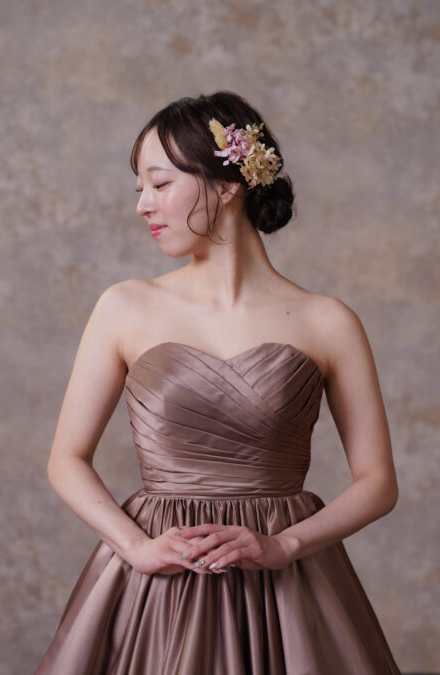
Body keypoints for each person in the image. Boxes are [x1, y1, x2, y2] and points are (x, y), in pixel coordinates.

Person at [35, 90, 402, 674]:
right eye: (139, 188)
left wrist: (283, 544)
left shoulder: (328, 322)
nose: (143, 206)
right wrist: (137, 548)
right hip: (156, 580)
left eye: (159, 184)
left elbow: (378, 483)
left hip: (284, 583)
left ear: (228, 184)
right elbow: (66, 460)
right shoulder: (125, 307)